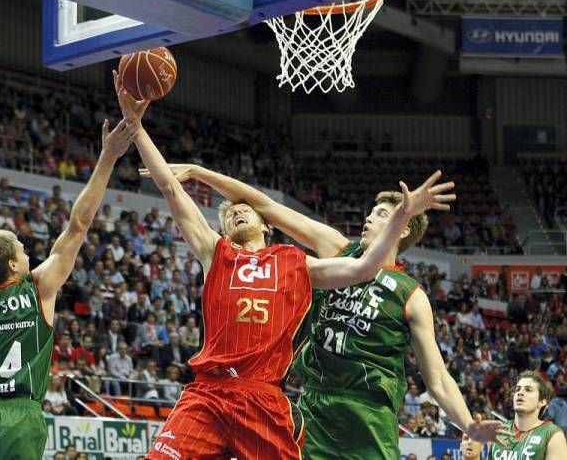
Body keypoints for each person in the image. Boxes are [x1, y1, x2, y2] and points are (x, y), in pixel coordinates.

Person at [113, 71, 456, 460]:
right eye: (230, 215)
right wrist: (137, 127)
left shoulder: (294, 263)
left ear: (265, 225)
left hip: (263, 396)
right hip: (208, 392)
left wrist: (401, 216)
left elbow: (363, 268)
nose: (238, 213)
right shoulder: (216, 253)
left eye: (245, 210)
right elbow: (172, 190)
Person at [153, 165, 511, 458]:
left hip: (368, 417)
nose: (368, 219)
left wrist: (469, 424)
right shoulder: (338, 248)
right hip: (315, 406)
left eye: (381, 214)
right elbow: (263, 204)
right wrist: (202, 174)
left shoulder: (412, 295)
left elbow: (438, 380)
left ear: (403, 228)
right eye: (370, 212)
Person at [0, 118, 137, 459]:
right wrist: (107, 157)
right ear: (13, 265)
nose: (27, 250)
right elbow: (79, 225)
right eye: (20, 248)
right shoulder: (38, 287)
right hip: (19, 414)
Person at [487, 370, 566, 460]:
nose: (520, 393)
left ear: (542, 402)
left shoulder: (553, 434)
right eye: (517, 389)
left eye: (528, 390)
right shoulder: (499, 432)